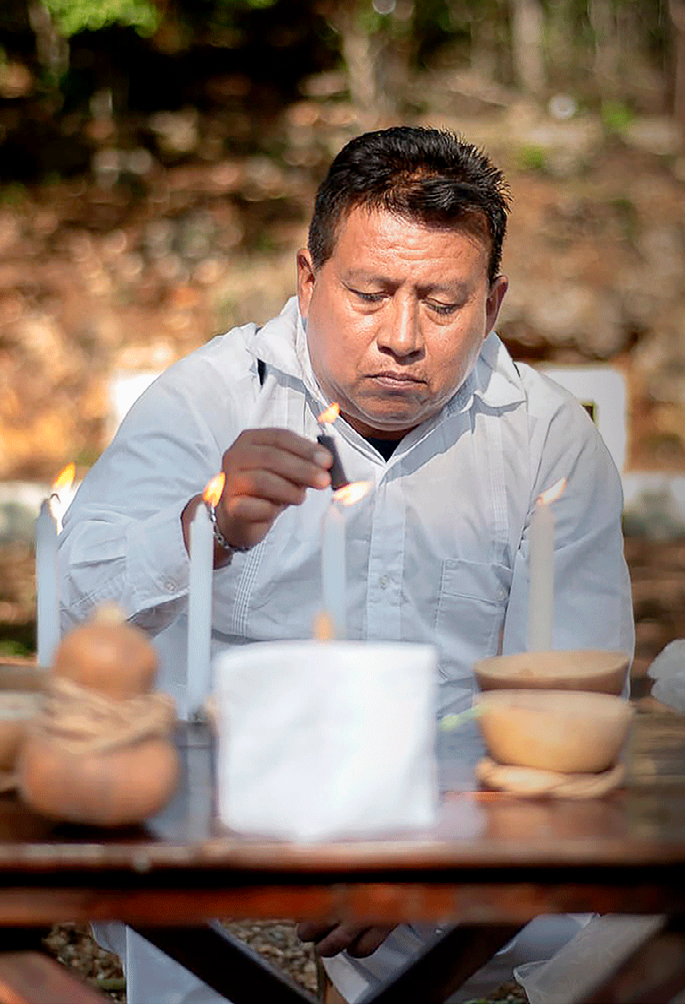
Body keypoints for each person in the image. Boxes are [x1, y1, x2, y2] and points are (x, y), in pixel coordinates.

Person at [56, 125, 635, 1003]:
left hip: (459, 829)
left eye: (442, 303)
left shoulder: (546, 438)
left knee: (654, 939)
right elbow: (75, 592)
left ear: (495, 302)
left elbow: (571, 702)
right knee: (190, 955)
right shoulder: (211, 397)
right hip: (223, 826)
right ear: (308, 278)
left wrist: (433, 849)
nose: (402, 336)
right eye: (370, 293)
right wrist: (202, 525)